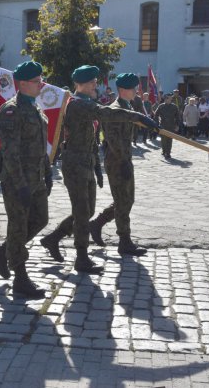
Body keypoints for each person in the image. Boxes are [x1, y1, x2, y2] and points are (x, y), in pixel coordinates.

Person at [39, 65, 159, 274]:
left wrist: (95, 164)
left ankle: (53, 238)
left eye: (95, 80)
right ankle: (82, 257)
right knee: (82, 211)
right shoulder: (77, 105)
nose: (96, 84)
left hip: (85, 161)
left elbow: (90, 139)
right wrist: (138, 117)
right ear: (80, 84)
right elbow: (105, 113)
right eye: (92, 81)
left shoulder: (86, 102)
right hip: (74, 163)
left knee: (88, 211)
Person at [0, 61, 52, 298]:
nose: (41, 84)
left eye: (41, 80)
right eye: (37, 81)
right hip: (17, 181)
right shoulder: (10, 110)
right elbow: (11, 153)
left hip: (36, 177)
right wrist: (21, 185)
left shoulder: (36, 108)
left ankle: (4, 251)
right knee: (18, 225)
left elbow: (40, 145)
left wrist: (48, 169)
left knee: (41, 219)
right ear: (23, 83)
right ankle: (20, 279)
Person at [86, 73, 150, 256]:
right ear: (122, 90)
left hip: (124, 159)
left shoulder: (127, 107)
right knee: (123, 201)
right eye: (134, 89)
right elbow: (113, 140)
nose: (137, 92)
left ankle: (97, 224)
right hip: (117, 160)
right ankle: (124, 241)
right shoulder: (115, 111)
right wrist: (123, 163)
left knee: (126, 199)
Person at [154, 94, 179, 159]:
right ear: (166, 99)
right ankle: (164, 150)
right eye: (169, 98)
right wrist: (156, 124)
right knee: (163, 140)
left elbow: (178, 117)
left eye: (171, 98)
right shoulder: (161, 106)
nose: (171, 99)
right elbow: (156, 115)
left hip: (171, 125)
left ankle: (168, 153)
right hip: (163, 125)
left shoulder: (174, 107)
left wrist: (177, 125)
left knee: (169, 140)